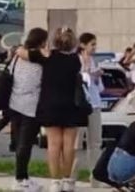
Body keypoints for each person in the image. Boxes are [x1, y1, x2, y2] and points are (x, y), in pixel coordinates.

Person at [37, 28, 91, 192]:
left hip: (50, 104)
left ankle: (55, 181)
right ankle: (68, 180)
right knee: (69, 145)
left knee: (53, 144)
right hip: (71, 105)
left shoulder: (48, 56)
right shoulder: (76, 60)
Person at [11, 28, 48, 190]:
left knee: (20, 142)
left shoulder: (18, 56)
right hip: (31, 106)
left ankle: (22, 177)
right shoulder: (39, 58)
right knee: (25, 144)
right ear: (41, 41)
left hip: (14, 102)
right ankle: (21, 179)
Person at [73, 33, 104, 185]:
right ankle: (71, 177)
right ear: (83, 45)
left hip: (95, 104)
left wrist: (97, 76)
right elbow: (78, 81)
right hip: (79, 106)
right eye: (92, 44)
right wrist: (88, 73)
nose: (94, 47)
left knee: (96, 142)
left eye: (95, 44)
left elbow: (99, 87)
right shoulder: (75, 60)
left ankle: (95, 177)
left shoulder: (93, 60)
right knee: (77, 143)